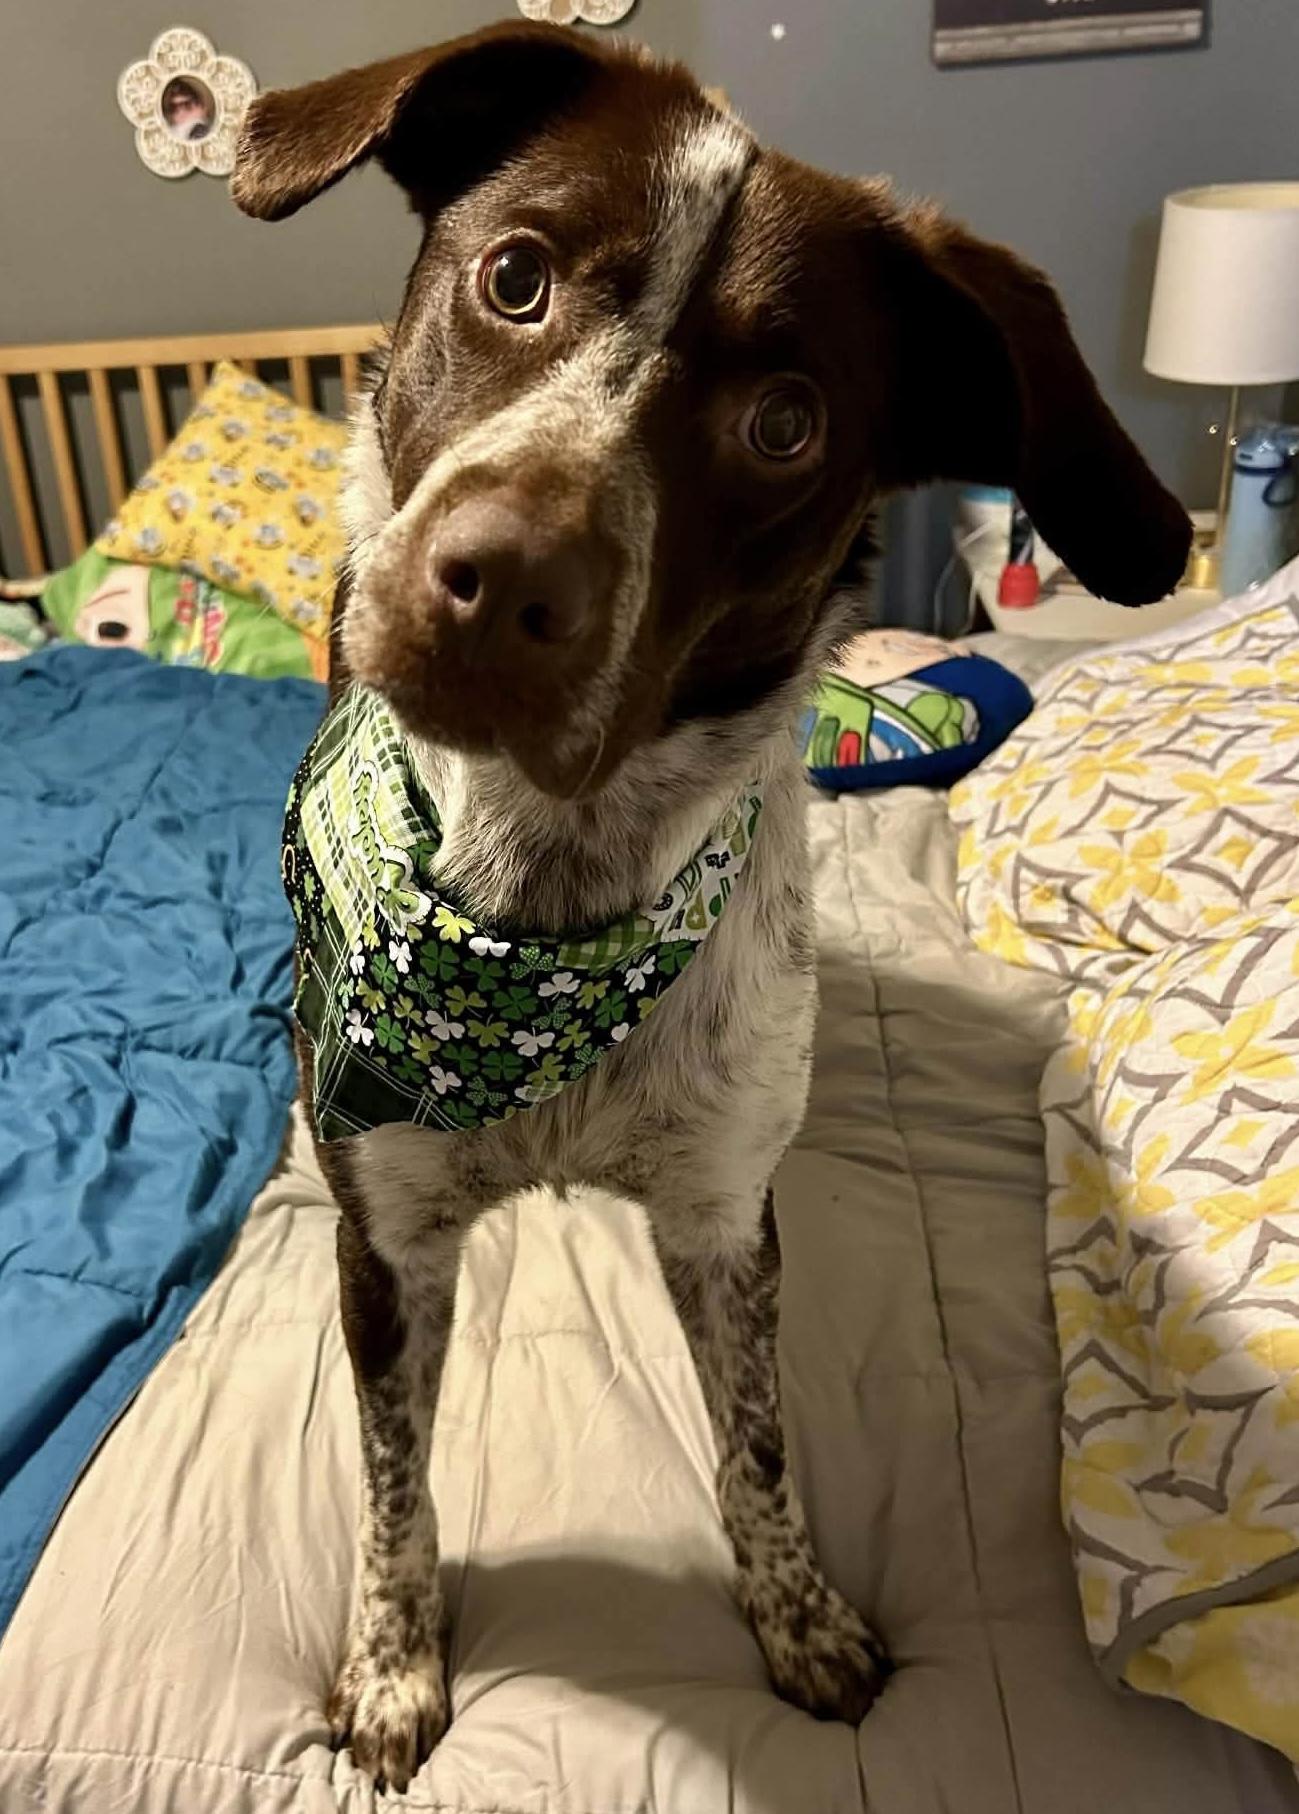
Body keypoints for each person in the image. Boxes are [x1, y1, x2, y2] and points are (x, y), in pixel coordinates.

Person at [161, 77, 212, 143]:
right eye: (173, 107)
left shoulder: (203, 133)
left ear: (202, 106)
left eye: (187, 105)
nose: (180, 111)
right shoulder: (166, 135)